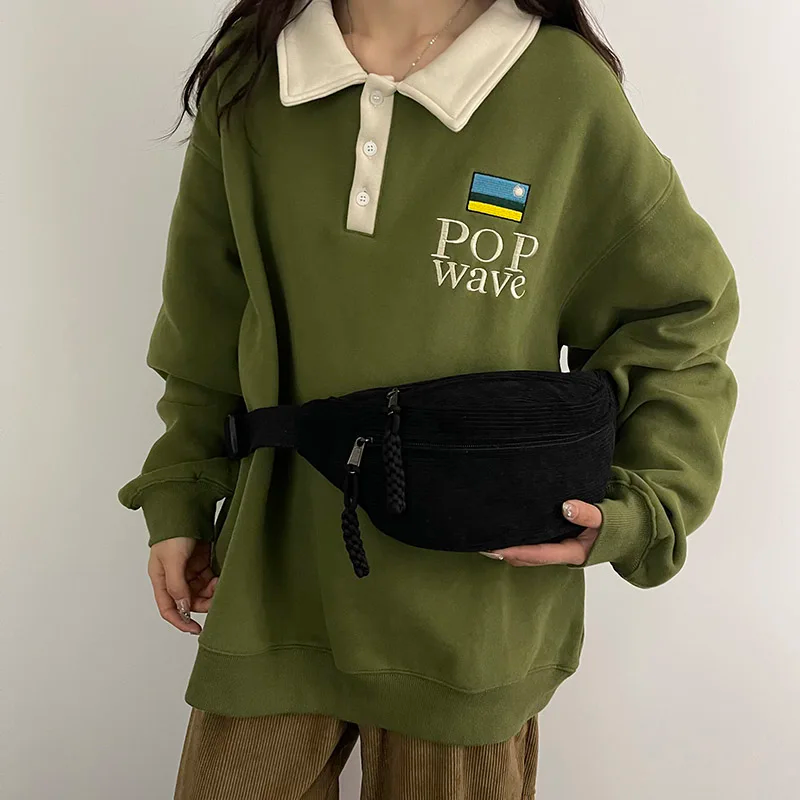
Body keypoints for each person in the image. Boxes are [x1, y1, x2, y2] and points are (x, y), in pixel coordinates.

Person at [117, 0, 740, 797]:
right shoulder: (254, 72)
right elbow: (205, 323)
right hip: (276, 587)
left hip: (474, 608)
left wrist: (641, 502)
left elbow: (680, 310)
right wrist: (180, 490)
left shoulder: (561, 89)